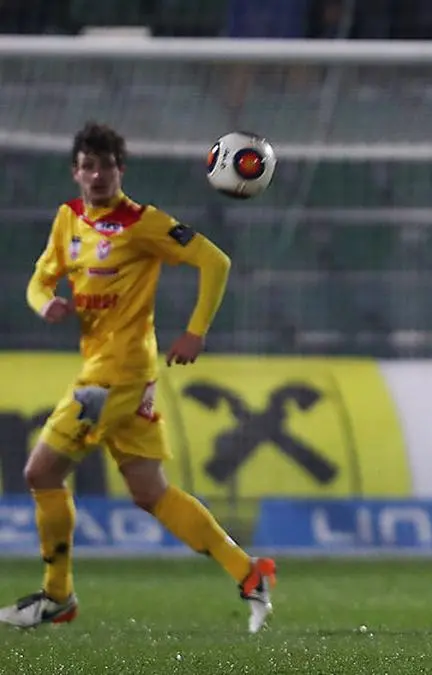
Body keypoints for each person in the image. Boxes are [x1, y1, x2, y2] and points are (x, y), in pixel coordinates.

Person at [0, 122, 277, 634]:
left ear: (120, 170)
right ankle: (249, 572)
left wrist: (195, 332)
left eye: (105, 166)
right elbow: (39, 280)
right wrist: (46, 304)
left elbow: (214, 261)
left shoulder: (143, 223)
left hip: (118, 374)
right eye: (87, 166)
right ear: (75, 172)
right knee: (150, 492)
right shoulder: (68, 219)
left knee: (41, 473)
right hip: (106, 371)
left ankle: (57, 595)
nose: (97, 175)